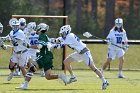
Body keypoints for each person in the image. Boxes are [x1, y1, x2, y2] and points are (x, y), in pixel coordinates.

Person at [54, 25, 109, 90]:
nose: (62, 34)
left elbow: (61, 44)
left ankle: (104, 81)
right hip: (79, 53)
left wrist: (53, 45)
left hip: (85, 52)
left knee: (93, 67)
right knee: (66, 62)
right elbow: (58, 40)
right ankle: (72, 77)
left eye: (63, 33)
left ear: (67, 32)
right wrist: (50, 41)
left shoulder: (70, 36)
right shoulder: (68, 36)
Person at [16, 23, 67, 90]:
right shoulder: (45, 36)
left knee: (31, 69)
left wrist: (28, 46)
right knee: (48, 76)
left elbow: (39, 46)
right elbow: (51, 41)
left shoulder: (42, 36)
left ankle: (25, 86)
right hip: (49, 57)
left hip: (43, 56)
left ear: (40, 29)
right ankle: (60, 76)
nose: (37, 29)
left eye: (38, 28)